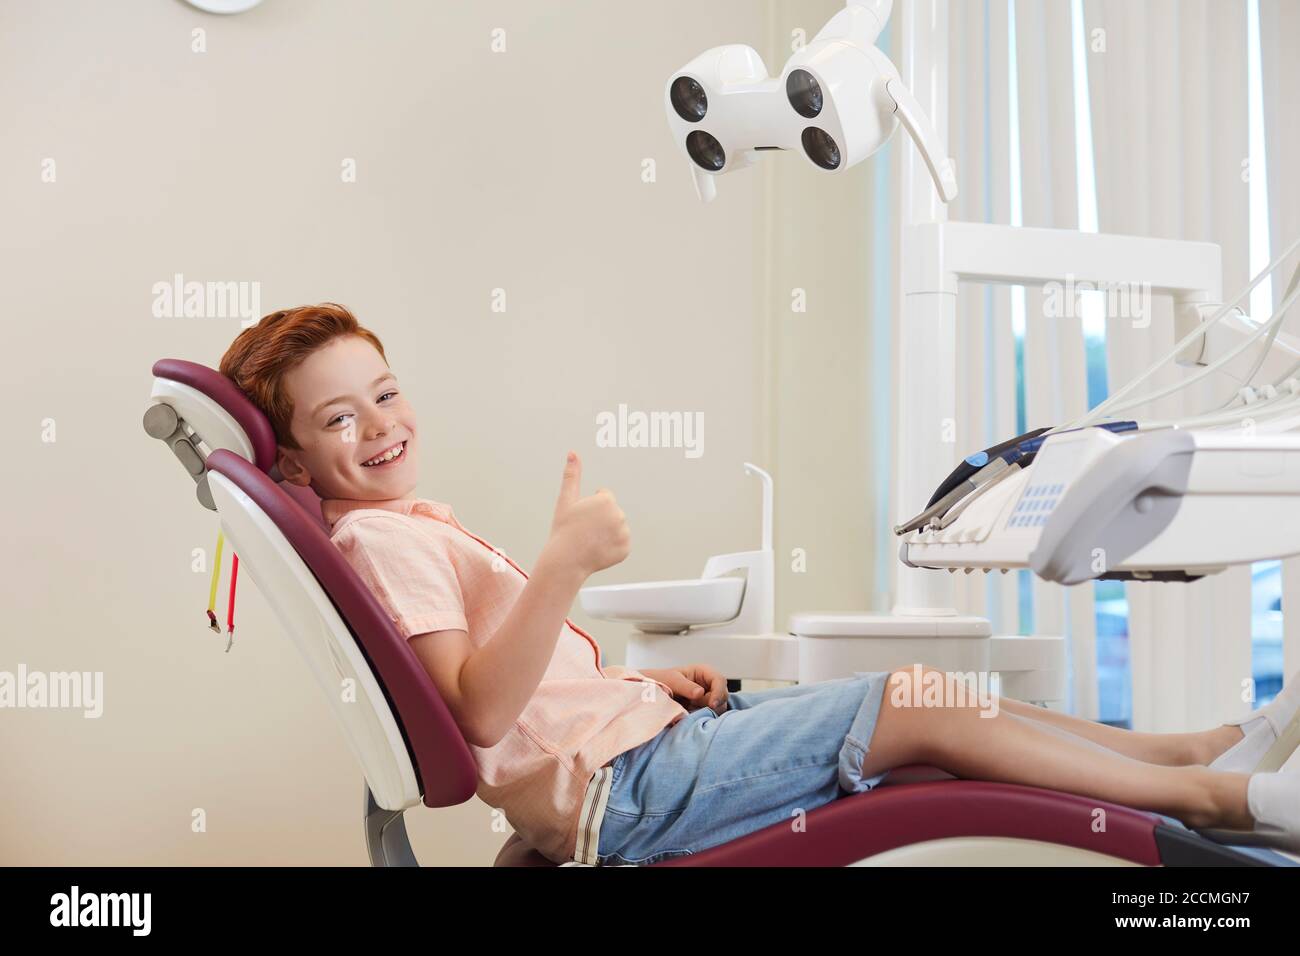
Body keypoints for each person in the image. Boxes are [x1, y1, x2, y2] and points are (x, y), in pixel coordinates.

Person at [219, 302, 1300, 865]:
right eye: (337, 417)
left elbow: (519, 703)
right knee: (910, 703)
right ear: (294, 460)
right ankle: (1218, 794)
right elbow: (482, 709)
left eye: (385, 390)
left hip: (634, 755)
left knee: (920, 691)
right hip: (628, 797)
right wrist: (564, 562)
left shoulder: (391, 527)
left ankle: (1184, 749)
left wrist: (642, 693)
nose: (378, 423)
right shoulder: (385, 543)